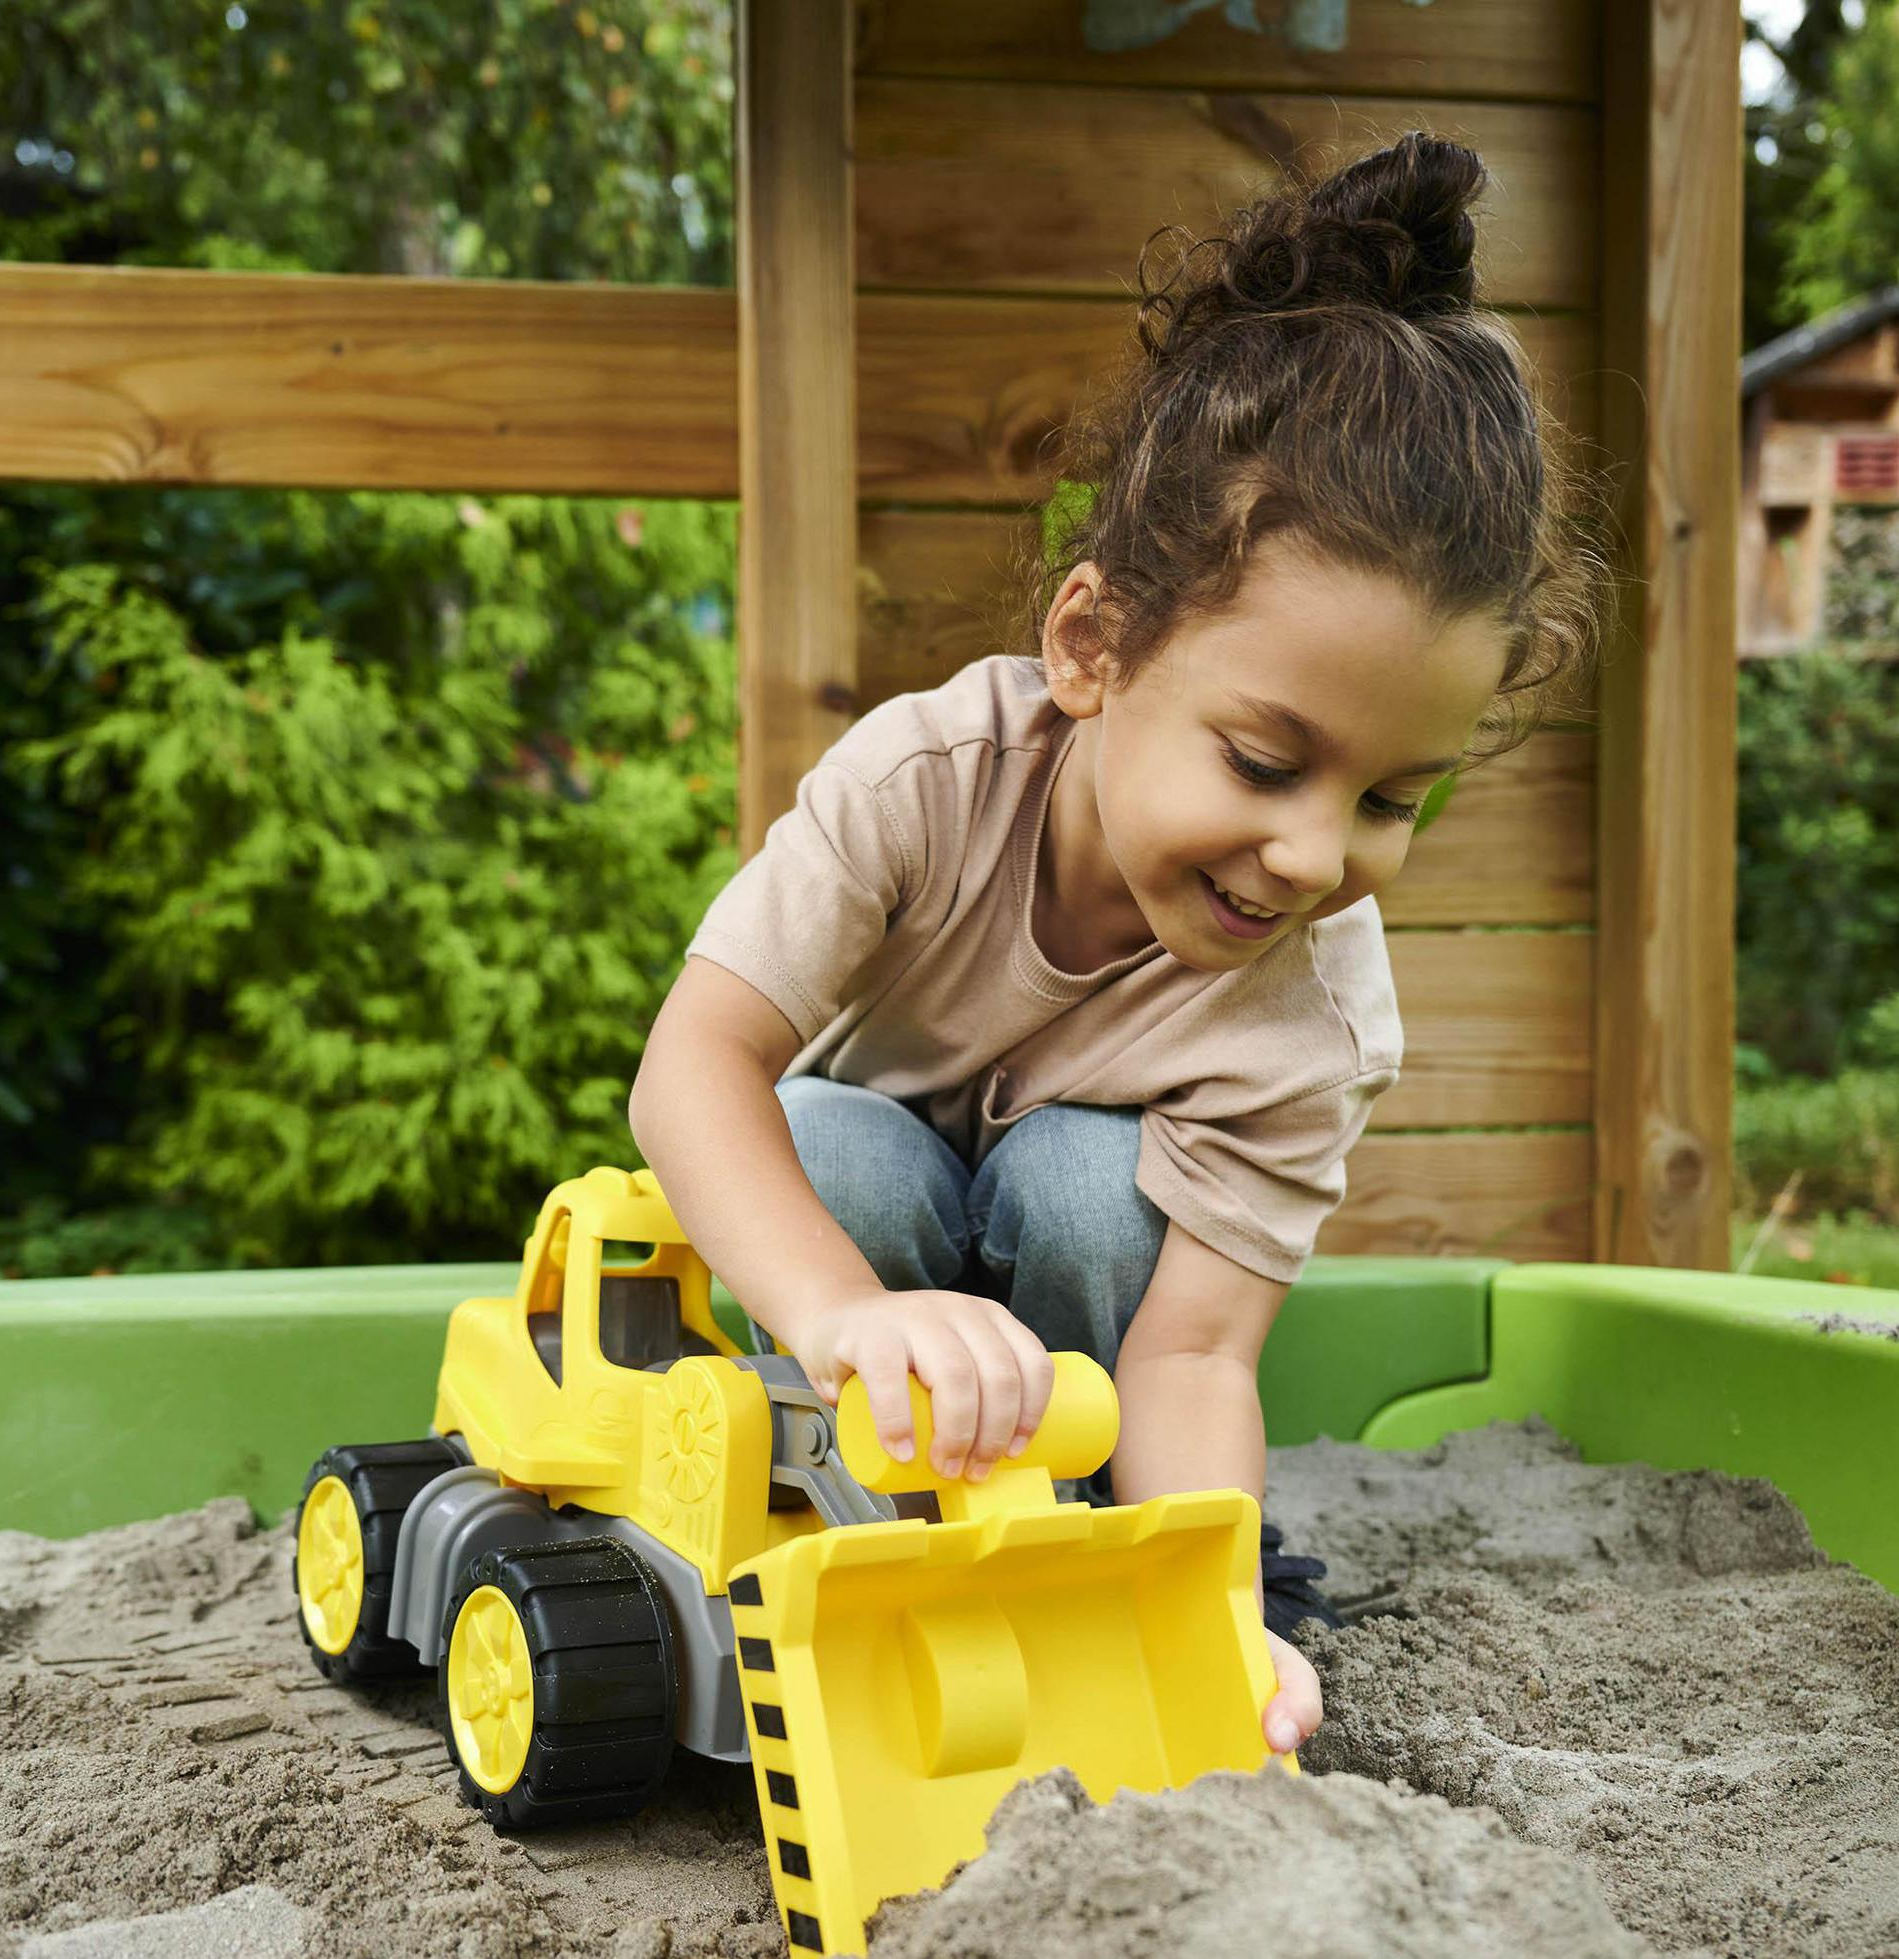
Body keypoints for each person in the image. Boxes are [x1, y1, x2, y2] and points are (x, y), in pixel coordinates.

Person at [628, 131, 1600, 1753]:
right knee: (827, 1144)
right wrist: (852, 1317)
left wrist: (1210, 1621)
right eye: (1268, 762)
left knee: (1089, 1182)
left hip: (1076, 1385)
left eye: (1390, 798)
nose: (1312, 853)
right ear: (1092, 646)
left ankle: (1072, 1547)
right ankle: (856, 1517)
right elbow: (688, 1074)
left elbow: (1202, 1355)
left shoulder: (1319, 1023)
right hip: (854, 1326)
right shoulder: (927, 779)